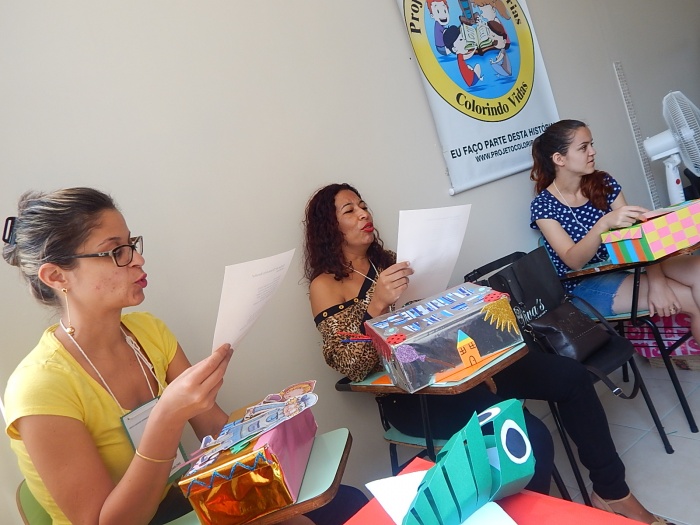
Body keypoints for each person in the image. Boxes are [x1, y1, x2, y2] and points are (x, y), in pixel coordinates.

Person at [303, 183, 669, 525]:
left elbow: (429, 327)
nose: (363, 214)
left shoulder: (390, 263)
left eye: (363, 206)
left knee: (571, 377)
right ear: (328, 228)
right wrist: (375, 307)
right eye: (349, 211)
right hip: (412, 396)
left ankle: (612, 492)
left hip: (457, 367)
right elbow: (349, 363)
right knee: (528, 434)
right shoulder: (325, 284)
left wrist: (465, 302)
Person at [2, 188, 363, 525]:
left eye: (132, 244)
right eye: (116, 251)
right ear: (56, 276)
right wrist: (167, 417)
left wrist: (273, 417)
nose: (138, 259)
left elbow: (214, 429)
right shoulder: (39, 388)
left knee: (344, 503)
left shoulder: (148, 332)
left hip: (183, 501)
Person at [530, 119, 700, 341]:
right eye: (583, 147)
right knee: (690, 299)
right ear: (559, 159)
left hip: (627, 263)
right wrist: (603, 224)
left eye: (591, 144)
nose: (593, 152)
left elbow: (638, 236)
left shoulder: (602, 182)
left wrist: (657, 281)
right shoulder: (543, 205)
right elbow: (574, 261)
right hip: (585, 283)